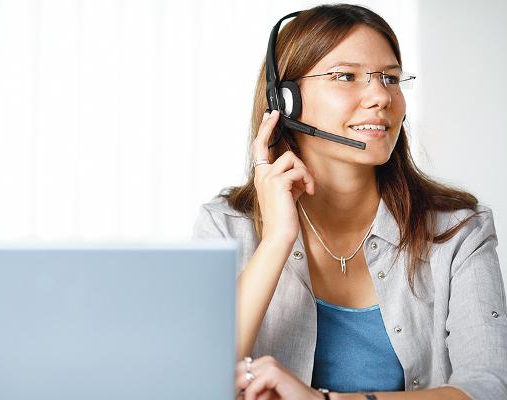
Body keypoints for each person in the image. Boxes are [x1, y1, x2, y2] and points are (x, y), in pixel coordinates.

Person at [193, 4, 507, 400]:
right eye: (346, 76)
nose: (380, 96)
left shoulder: (459, 230)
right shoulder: (225, 226)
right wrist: (276, 240)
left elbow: (489, 388)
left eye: (390, 78)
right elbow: (195, 380)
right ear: (285, 101)